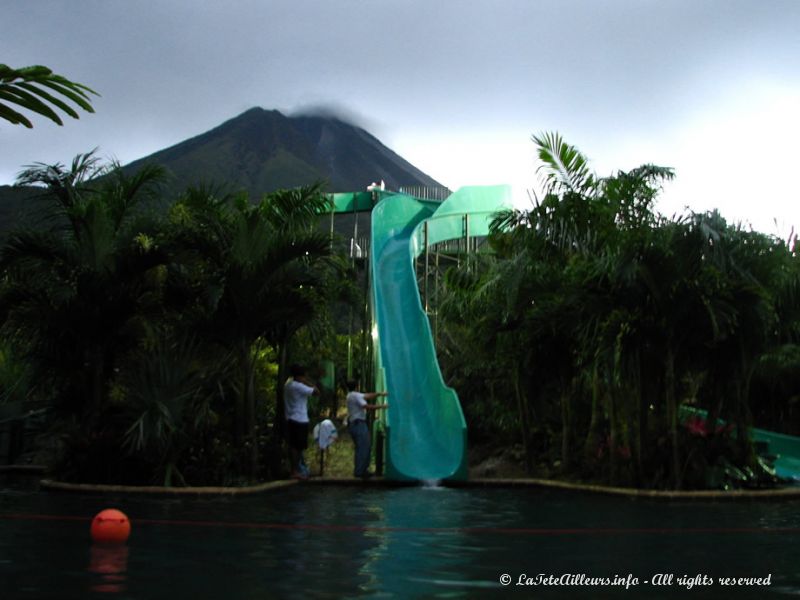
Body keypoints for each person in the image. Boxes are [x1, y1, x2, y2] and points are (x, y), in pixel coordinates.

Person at [346, 380, 389, 479]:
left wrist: (380, 394)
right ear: (357, 386)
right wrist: (383, 406)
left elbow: (367, 396)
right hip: (359, 424)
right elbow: (366, 406)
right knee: (364, 447)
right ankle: (361, 471)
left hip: (355, 424)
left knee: (361, 447)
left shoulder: (351, 395)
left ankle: (360, 470)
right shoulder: (355, 396)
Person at [284, 364, 319, 479]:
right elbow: (316, 392)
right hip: (299, 419)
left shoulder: (288, 384)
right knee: (297, 447)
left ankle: (296, 469)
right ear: (300, 376)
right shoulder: (298, 387)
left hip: (291, 418)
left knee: (295, 445)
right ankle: (295, 471)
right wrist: (308, 382)